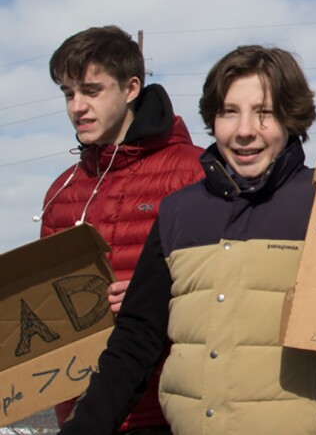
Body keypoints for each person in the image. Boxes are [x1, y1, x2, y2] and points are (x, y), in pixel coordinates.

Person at [58, 45, 316, 435]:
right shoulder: (180, 212)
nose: (244, 130)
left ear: (291, 116)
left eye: (264, 113)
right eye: (229, 112)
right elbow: (136, 339)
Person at [36, 25, 204, 433]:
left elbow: (228, 290)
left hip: (169, 413)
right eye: (67, 93)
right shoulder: (61, 193)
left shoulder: (193, 172)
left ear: (131, 88)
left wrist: (161, 297)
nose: (77, 106)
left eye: (92, 91)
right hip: (83, 418)